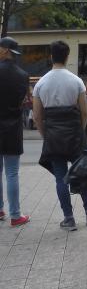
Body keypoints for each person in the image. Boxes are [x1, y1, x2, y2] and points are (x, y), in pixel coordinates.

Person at [32, 40, 87, 232]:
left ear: (51, 56)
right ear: (67, 56)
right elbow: (85, 112)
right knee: (82, 173)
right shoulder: (76, 81)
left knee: (61, 178)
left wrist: (46, 135)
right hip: (74, 134)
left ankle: (68, 219)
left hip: (53, 134)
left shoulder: (41, 83)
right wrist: (80, 130)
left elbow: (37, 116)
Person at [0, 37, 30, 227]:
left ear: (4, 51)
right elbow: (21, 103)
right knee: (12, 173)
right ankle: (15, 215)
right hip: (12, 128)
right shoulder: (23, 75)